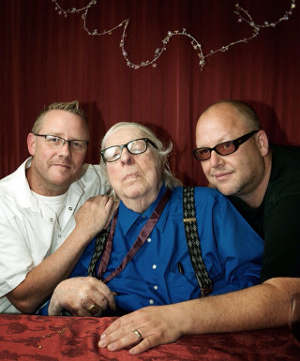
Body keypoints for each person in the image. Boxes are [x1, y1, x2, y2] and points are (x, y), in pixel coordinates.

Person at [47, 121, 264, 355]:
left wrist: (191, 316)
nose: (125, 159)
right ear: (107, 172)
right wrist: (58, 296)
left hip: (200, 349)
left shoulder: (207, 206)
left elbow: (256, 282)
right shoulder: (95, 224)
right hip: (112, 349)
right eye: (113, 154)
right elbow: (55, 308)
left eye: (137, 147)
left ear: (161, 158)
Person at [191, 100, 300, 335]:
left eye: (227, 146)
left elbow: (288, 301)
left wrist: (175, 318)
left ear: (261, 143)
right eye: (204, 152)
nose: (214, 163)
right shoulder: (236, 180)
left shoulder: (292, 194)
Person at [0, 100, 113, 314]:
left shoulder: (94, 178)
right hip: (12, 327)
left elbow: (143, 179)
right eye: (54, 140)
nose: (65, 152)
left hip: (73, 318)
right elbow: (24, 299)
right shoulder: (3, 203)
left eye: (77, 144)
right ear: (32, 144)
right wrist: (84, 230)